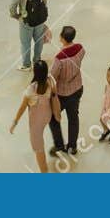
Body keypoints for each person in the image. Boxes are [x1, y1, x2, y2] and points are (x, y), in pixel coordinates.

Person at [11, 59, 60, 174]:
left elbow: (22, 108)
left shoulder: (31, 90)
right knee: (39, 144)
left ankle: (44, 172)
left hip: (36, 123)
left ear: (35, 73)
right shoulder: (51, 81)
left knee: (39, 148)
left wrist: (14, 123)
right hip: (47, 115)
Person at [49, 26, 85, 155]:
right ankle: (72, 146)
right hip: (77, 88)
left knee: (53, 118)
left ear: (62, 38)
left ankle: (59, 145)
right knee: (73, 118)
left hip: (62, 94)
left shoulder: (59, 59)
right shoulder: (80, 49)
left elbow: (52, 77)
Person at [11, 0, 49, 69]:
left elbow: (12, 7)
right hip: (40, 20)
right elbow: (45, 3)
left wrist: (17, 17)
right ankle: (37, 61)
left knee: (25, 43)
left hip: (26, 21)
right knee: (39, 41)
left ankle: (26, 65)